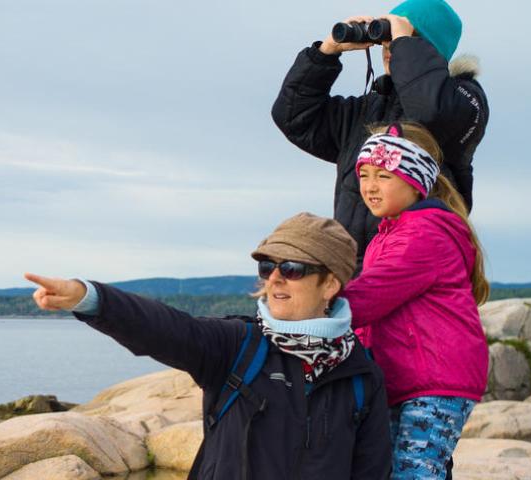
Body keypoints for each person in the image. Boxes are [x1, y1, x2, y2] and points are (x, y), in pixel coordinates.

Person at [25, 213, 391, 480]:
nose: (276, 277)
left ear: (330, 285)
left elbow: (370, 472)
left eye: (293, 268)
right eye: (267, 267)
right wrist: (91, 299)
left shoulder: (360, 377)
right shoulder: (238, 346)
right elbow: (165, 328)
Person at [272, 0, 488, 259]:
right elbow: (293, 116)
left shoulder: (464, 99)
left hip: (418, 266)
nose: (389, 47)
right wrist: (326, 52)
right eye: (386, 37)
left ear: (431, 48)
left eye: (402, 37)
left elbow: (428, 112)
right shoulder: (367, 110)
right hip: (354, 274)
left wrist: (403, 44)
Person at [343, 124, 489, 480]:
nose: (369, 186)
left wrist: (308, 309)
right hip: (409, 378)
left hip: (435, 381)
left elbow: (367, 299)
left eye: (383, 175)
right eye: (363, 175)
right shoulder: (389, 234)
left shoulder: (421, 236)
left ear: (414, 181)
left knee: (413, 475)